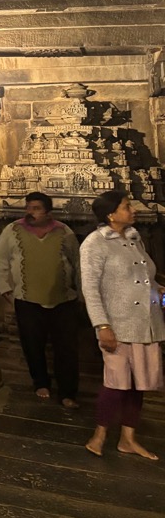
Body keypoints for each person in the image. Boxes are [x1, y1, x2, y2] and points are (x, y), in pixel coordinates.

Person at [81, 190, 165, 459]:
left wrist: (158, 291)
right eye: (127, 206)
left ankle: (128, 439)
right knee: (115, 382)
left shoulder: (133, 238)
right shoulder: (95, 243)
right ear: (111, 214)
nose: (134, 210)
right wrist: (102, 325)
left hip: (145, 324)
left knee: (139, 383)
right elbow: (90, 289)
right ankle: (100, 433)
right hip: (117, 325)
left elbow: (144, 279)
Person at [0, 191, 81, 408]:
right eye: (28, 208)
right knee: (32, 345)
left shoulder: (64, 231)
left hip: (64, 299)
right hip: (27, 298)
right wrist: (4, 289)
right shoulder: (12, 231)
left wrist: (83, 294)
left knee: (66, 348)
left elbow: (77, 263)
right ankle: (40, 382)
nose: (31, 212)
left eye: (36, 208)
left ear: (48, 212)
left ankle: (68, 392)